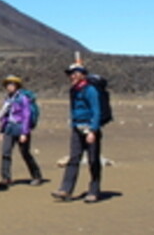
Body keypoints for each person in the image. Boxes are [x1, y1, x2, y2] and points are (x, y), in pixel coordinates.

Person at [52, 63, 103, 203]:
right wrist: (73, 125)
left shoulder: (91, 90)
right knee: (74, 159)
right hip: (77, 128)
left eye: (75, 73)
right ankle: (66, 189)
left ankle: (94, 190)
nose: (72, 76)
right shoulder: (73, 91)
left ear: (82, 74)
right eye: (70, 74)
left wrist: (93, 131)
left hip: (90, 128)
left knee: (93, 160)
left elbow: (96, 110)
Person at [0, 75, 43, 188]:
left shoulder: (22, 98)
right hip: (9, 128)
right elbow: (5, 116)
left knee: (25, 153)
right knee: (5, 153)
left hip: (20, 128)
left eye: (12, 84)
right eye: (8, 84)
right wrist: (2, 131)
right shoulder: (7, 99)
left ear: (17, 86)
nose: (9, 86)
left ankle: (36, 176)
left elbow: (26, 115)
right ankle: (5, 178)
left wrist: (24, 132)